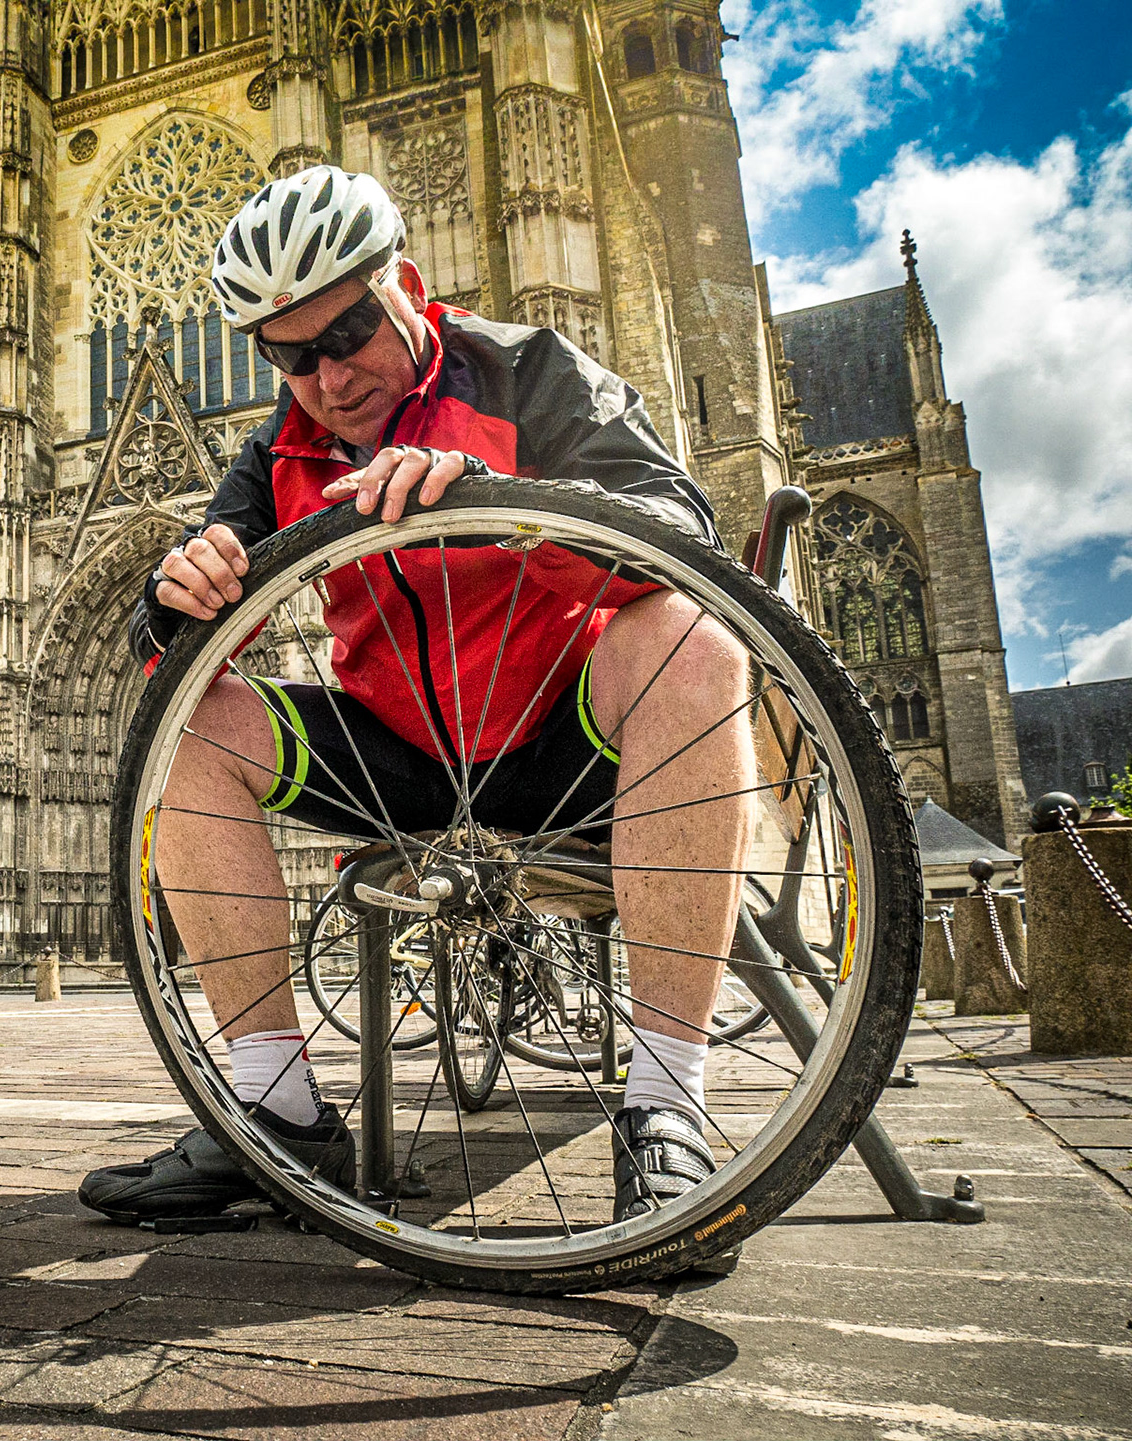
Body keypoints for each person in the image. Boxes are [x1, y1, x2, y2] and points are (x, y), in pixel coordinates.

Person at [76, 167, 748, 1227]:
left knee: (691, 641)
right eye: (290, 358)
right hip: (395, 761)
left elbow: (685, 538)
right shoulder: (278, 451)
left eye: (347, 334)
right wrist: (185, 591)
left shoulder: (526, 373)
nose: (329, 379)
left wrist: (503, 508)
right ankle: (276, 1103)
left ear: (408, 285)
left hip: (561, 742)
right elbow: (182, 617)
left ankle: (665, 1108)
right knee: (182, 706)